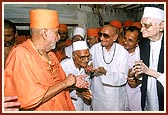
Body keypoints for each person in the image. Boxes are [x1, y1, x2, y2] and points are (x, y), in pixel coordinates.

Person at [4, 9, 89, 111]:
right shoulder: (21, 54)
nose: (58, 37)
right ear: (44, 33)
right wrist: (66, 83)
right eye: (56, 33)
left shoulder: (51, 55)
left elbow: (56, 87)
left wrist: (72, 84)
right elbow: (30, 99)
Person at [88, 25, 129, 111]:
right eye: (100, 35)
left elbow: (123, 77)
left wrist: (105, 72)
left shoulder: (122, 52)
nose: (101, 38)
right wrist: (89, 66)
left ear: (114, 37)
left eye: (105, 36)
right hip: (98, 95)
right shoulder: (95, 48)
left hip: (114, 98)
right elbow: (88, 63)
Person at [133, 7, 164, 111]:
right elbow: (142, 76)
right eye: (142, 25)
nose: (142, 29)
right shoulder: (143, 45)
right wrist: (137, 75)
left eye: (147, 25)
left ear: (161, 26)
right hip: (148, 98)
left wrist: (148, 71)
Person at [61, 41, 92, 111]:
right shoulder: (63, 66)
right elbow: (59, 88)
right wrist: (78, 92)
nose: (86, 60)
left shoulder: (85, 66)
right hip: (68, 104)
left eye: (88, 57)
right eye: (82, 57)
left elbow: (87, 82)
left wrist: (86, 91)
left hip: (81, 104)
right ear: (74, 56)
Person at [123, 26, 142, 111]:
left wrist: (137, 81)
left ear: (137, 42)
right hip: (121, 95)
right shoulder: (119, 52)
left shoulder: (141, 55)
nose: (126, 42)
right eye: (125, 38)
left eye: (130, 40)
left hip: (136, 95)